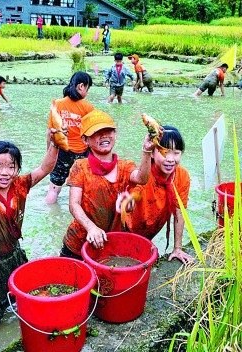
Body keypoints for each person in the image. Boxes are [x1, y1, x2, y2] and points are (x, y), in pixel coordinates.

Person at [0, 127, 60, 331]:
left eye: (11, 166)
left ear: (17, 169)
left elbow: (45, 168)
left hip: (14, 255)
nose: (4, 173)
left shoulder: (20, 185)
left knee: (26, 300)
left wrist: (55, 142)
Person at [60, 109, 154, 260]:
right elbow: (74, 204)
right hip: (78, 244)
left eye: (108, 130)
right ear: (85, 140)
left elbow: (142, 178)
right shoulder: (80, 167)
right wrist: (91, 228)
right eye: (97, 132)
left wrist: (147, 151)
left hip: (110, 242)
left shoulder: (125, 166)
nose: (104, 135)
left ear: (115, 135)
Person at [119, 126, 193, 264]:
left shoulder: (182, 176)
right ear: (152, 153)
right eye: (164, 152)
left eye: (176, 153)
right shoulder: (144, 176)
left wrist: (177, 248)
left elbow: (179, 213)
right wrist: (128, 203)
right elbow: (129, 202)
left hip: (149, 232)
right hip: (126, 231)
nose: (170, 159)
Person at [45, 71, 94, 204]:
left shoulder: (57, 104)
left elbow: (50, 133)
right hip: (82, 154)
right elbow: (92, 134)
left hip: (61, 152)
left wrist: (49, 152)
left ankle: (51, 218)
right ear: (81, 86)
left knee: (53, 189)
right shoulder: (88, 107)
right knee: (83, 189)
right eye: (88, 89)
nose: (87, 92)